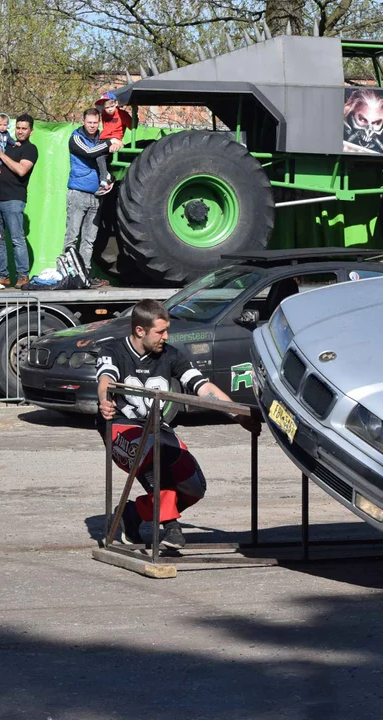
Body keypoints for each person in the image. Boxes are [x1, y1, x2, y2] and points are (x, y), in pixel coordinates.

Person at [95, 299, 259, 548]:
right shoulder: (113, 350)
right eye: (160, 331)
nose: (166, 336)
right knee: (154, 453)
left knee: (194, 486)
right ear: (140, 330)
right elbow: (106, 379)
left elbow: (202, 386)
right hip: (121, 428)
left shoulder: (170, 354)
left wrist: (238, 415)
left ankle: (132, 514)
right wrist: (104, 400)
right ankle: (171, 527)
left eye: (166, 330)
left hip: (155, 429)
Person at [64, 108, 111, 285]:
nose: (92, 126)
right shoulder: (76, 138)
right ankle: (68, 274)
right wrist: (110, 143)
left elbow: (106, 161)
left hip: (97, 196)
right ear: (83, 121)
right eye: (89, 122)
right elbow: (90, 152)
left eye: (95, 122)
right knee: (72, 236)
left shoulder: (101, 138)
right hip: (78, 194)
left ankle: (85, 276)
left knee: (89, 240)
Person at [0, 113, 37, 288]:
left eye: (24, 129)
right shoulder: (9, 144)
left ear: (31, 131)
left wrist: (1, 154)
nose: (20, 131)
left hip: (14, 199)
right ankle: (3, 276)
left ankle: (23, 275)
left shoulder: (30, 149)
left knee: (17, 239)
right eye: (18, 128)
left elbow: (21, 170)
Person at [93, 91, 132, 195]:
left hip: (114, 140)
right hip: (103, 140)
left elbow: (133, 127)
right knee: (92, 154)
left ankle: (105, 181)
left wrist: (118, 143)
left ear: (116, 103)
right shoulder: (104, 114)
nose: (109, 109)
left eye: (111, 106)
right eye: (106, 107)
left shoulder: (122, 114)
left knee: (99, 157)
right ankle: (107, 176)